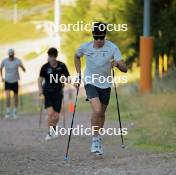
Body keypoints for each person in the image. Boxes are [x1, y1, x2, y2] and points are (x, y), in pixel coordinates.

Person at [74, 21, 128, 155]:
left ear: (105, 36)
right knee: (97, 110)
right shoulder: (86, 47)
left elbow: (125, 68)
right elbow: (76, 56)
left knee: (102, 113)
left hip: (106, 84)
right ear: (93, 35)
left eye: (101, 37)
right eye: (96, 37)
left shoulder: (112, 48)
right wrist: (79, 74)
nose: (98, 40)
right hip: (90, 82)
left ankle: (98, 137)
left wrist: (117, 64)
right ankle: (95, 140)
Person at [38, 47, 70, 141]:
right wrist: (40, 90)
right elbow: (40, 80)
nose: (52, 58)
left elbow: (68, 78)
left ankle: (54, 128)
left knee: (56, 115)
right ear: (48, 56)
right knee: (51, 113)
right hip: (47, 92)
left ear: (56, 56)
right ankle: (50, 132)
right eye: (50, 56)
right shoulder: (45, 67)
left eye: (53, 56)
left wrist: (65, 79)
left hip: (58, 92)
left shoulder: (62, 66)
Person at [0, 49, 26, 119]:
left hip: (15, 81)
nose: (11, 57)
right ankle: (8, 112)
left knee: (15, 97)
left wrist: (22, 67)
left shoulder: (17, 61)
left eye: (12, 55)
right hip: (7, 81)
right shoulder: (4, 61)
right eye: (10, 55)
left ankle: (14, 112)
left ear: (14, 55)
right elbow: (1, 68)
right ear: (8, 55)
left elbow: (24, 69)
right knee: (8, 96)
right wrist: (2, 77)